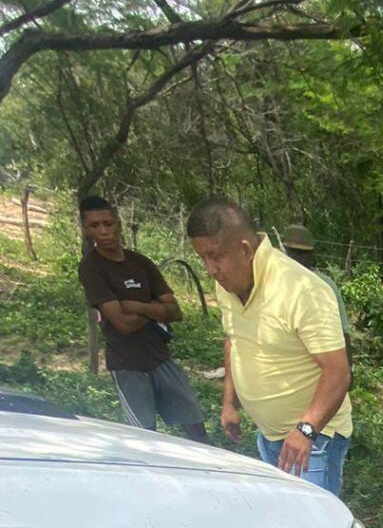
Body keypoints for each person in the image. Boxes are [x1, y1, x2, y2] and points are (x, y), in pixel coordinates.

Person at [186, 198, 352, 496]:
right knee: (286, 518)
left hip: (314, 440)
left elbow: (338, 373)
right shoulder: (227, 284)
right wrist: (229, 403)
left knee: (313, 526)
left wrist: (305, 430)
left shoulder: (302, 289)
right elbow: (235, 341)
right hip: (271, 435)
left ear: (246, 249)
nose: (210, 269)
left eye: (216, 256)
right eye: (202, 258)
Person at [77, 196, 209, 444]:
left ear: (118, 223)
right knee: (146, 439)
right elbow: (123, 325)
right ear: (86, 229)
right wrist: (156, 309)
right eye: (95, 226)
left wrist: (134, 306)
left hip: (160, 357)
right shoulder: (91, 268)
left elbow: (176, 311)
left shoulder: (141, 262)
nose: (104, 231)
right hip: (128, 365)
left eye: (108, 223)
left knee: (196, 429)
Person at [281, 224, 353, 382]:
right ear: (283, 253)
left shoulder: (326, 285)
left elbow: (343, 331)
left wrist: (348, 370)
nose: (298, 259)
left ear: (312, 254)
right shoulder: (273, 285)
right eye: (293, 253)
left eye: (303, 253)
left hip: (319, 370)